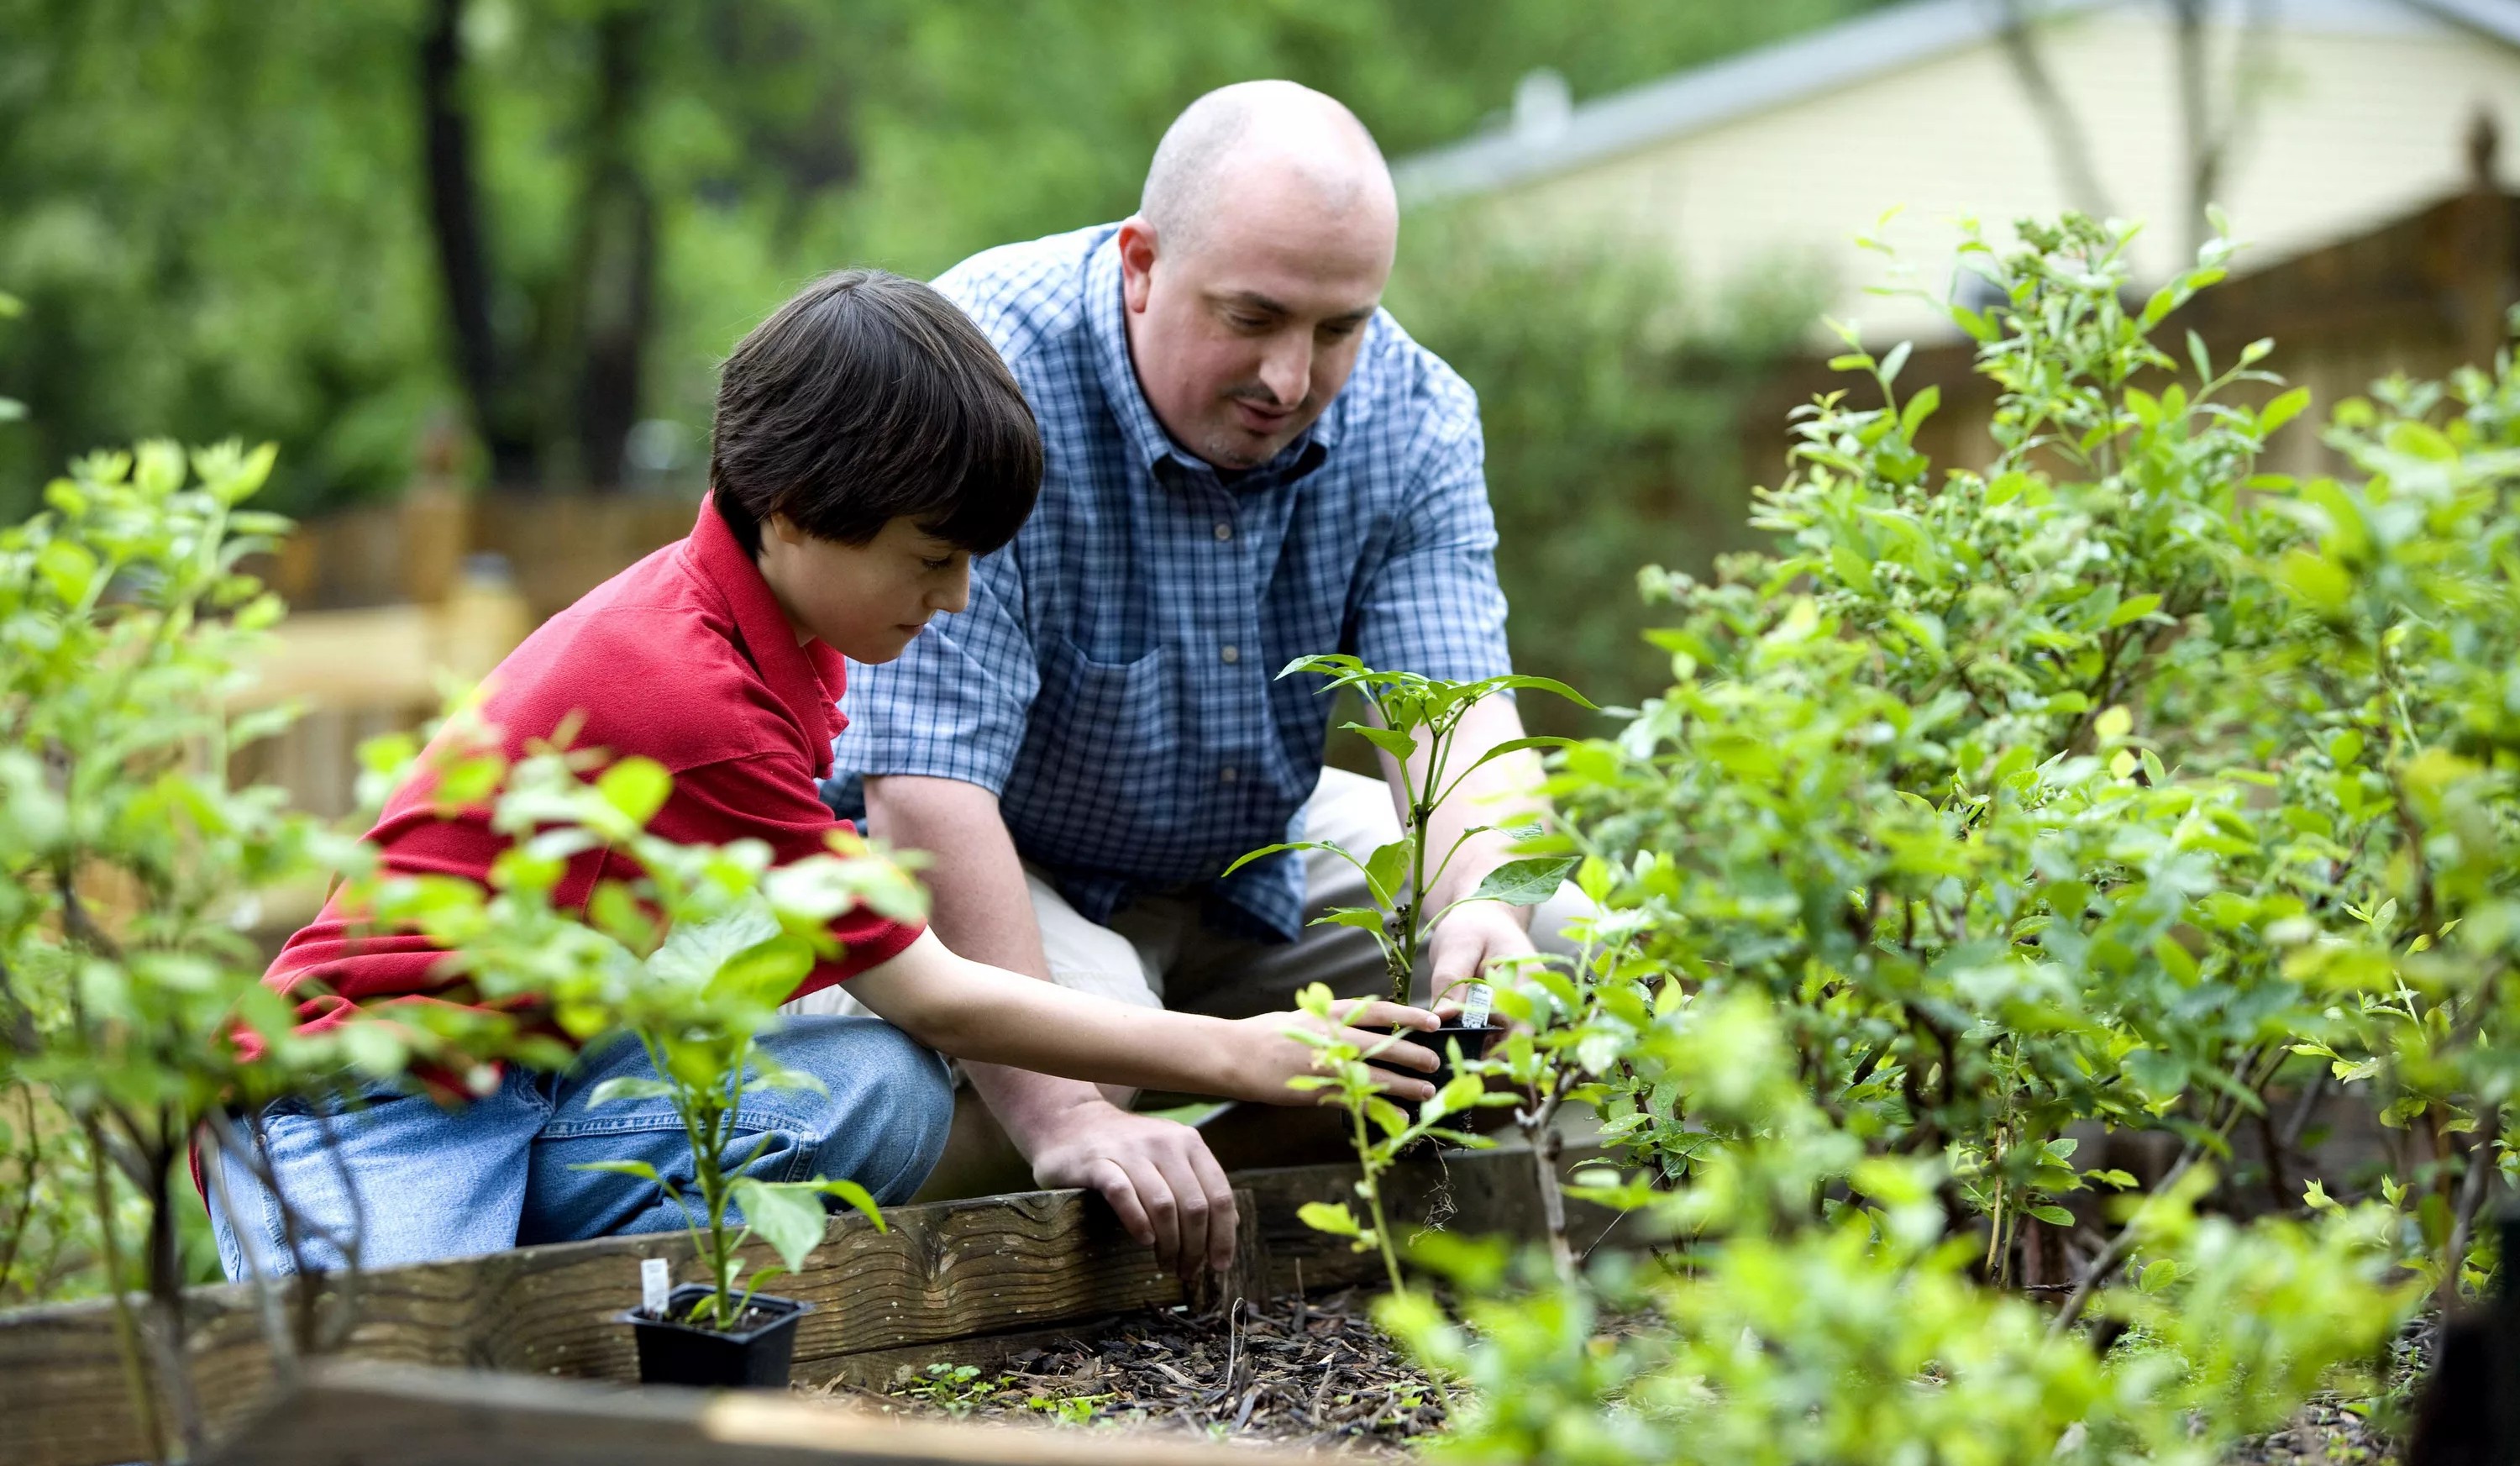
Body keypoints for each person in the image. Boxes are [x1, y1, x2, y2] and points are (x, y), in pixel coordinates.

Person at [205, 269, 1441, 1284]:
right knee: (372, 1402)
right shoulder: (683, 683)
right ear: (793, 510)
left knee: (875, 1096)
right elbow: (937, 989)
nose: (954, 596)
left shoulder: (779, 641)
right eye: (931, 557)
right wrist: (1239, 1054)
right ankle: (391, 1251)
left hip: (535, 1080)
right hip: (370, 1095)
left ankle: (537, 1279)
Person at [808, 82, 1588, 1282]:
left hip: (1247, 850)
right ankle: (1014, 1229)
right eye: (1254, 317)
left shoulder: (1415, 416)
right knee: (1073, 1055)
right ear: (1140, 263)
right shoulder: (981, 376)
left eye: (1339, 328)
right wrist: (1067, 1114)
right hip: (1005, 847)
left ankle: (1211, 1207)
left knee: (1565, 951)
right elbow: (923, 793)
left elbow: (1457, 713)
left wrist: (1481, 899)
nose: (1291, 374)